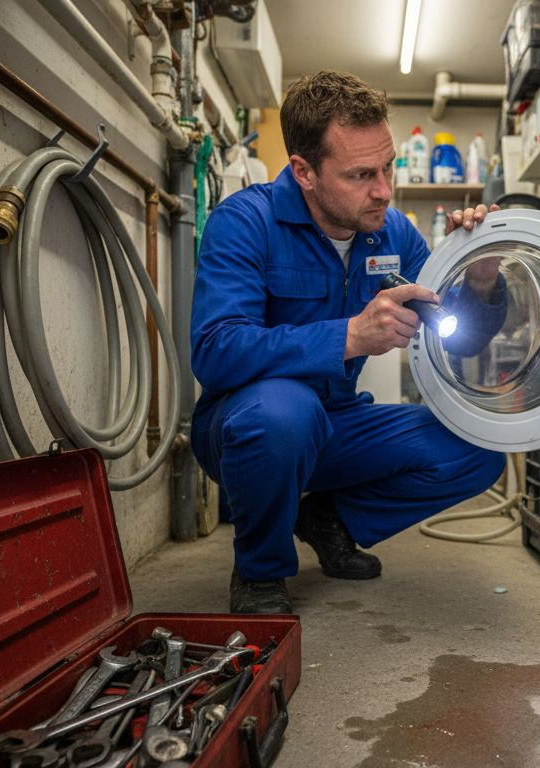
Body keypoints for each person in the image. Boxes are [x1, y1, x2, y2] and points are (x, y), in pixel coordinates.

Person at [190, 70, 508, 614]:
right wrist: (349, 336)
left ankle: (330, 520)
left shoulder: (393, 234)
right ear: (304, 172)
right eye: (362, 174)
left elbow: (459, 339)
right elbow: (217, 350)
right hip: (250, 426)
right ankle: (259, 571)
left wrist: (480, 280)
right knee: (284, 412)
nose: (383, 189)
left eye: (387, 167)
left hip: (337, 423)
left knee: (478, 446)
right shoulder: (245, 222)